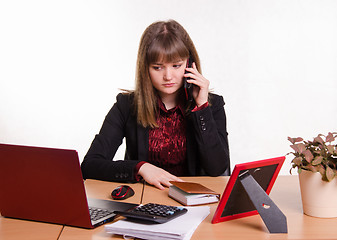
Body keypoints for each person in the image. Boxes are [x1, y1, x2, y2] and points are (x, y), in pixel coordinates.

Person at [81, 19, 230, 190]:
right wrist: (140, 168)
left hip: (194, 202)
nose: (168, 76)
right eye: (158, 67)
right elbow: (89, 165)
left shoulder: (212, 104)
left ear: (189, 65)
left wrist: (201, 107)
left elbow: (217, 168)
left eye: (176, 65)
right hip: (145, 201)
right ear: (145, 68)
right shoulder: (126, 105)